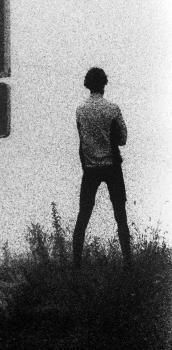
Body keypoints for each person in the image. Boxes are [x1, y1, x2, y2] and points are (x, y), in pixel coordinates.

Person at [72, 67, 131, 267]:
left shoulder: (80, 110)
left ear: (87, 84)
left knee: (84, 214)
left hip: (90, 168)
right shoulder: (113, 109)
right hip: (112, 166)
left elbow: (81, 141)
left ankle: (76, 265)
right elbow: (122, 139)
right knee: (120, 215)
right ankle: (128, 263)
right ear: (104, 83)